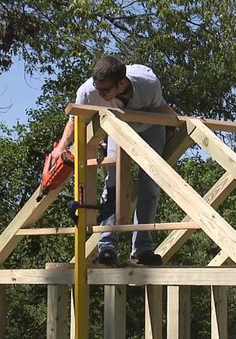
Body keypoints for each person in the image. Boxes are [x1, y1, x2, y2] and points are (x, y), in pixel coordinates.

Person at [53, 55, 178, 266]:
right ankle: (107, 246)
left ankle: (142, 250)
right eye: (97, 87)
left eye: (105, 91)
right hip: (117, 129)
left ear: (121, 83)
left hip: (150, 127)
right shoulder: (88, 91)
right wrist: (60, 147)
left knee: (151, 185)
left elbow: (160, 108)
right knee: (113, 184)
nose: (100, 93)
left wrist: (184, 122)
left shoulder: (148, 83)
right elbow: (76, 118)